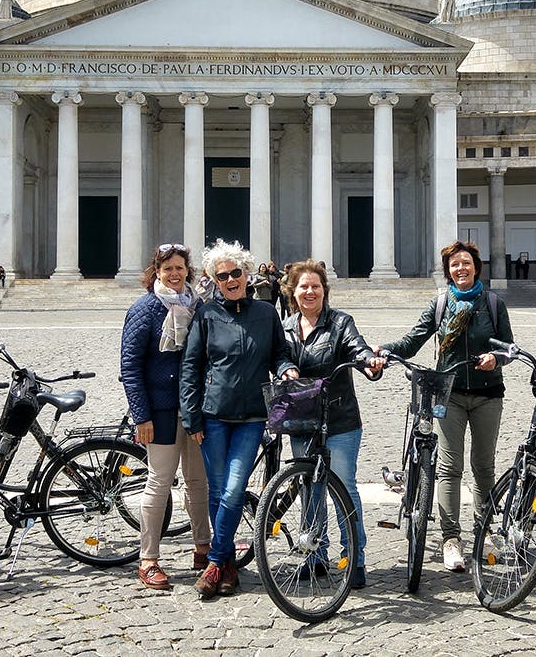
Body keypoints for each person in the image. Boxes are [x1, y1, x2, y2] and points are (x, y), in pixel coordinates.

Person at [376, 240, 513, 572]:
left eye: (466, 263)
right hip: (449, 394)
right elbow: (413, 339)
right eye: (454, 265)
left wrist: (495, 359)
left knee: (483, 467)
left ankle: (484, 529)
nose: (460, 269)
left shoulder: (493, 304)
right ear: (448, 271)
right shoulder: (440, 304)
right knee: (450, 469)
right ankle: (451, 538)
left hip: (488, 395)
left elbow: (509, 348)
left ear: (476, 267)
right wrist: (385, 350)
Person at [180, 239, 298, 600]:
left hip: (251, 416)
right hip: (213, 416)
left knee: (232, 490)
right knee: (217, 492)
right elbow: (191, 366)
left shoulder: (266, 313)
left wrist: (288, 367)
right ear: (213, 280)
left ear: (247, 273)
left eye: (236, 272)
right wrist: (192, 417)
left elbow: (279, 353)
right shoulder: (206, 314)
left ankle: (214, 561)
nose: (231, 279)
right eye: (223, 275)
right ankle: (228, 565)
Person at [281, 259, 385, 589]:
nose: (309, 292)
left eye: (315, 286)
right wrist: (285, 367)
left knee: (343, 487)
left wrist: (369, 362)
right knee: (310, 489)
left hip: (339, 419)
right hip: (301, 419)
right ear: (293, 292)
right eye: (303, 287)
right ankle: (316, 556)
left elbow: (357, 347)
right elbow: (277, 356)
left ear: (325, 290)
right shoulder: (285, 327)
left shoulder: (340, 323)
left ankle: (355, 558)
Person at [120, 243, 210, 591]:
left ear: (188, 271)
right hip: (159, 412)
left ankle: (203, 548)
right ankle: (148, 558)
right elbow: (130, 366)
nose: (174, 274)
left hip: (195, 410)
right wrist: (141, 415)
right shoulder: (144, 310)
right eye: (167, 268)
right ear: (156, 272)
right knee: (159, 482)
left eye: (180, 268)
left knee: (198, 482)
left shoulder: (199, 306)